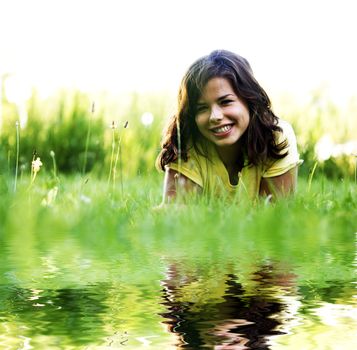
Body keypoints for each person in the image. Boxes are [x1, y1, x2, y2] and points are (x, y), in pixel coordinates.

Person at [156, 50, 302, 203]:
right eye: (201, 108)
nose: (215, 116)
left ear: (249, 100)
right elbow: (174, 215)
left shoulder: (275, 137)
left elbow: (274, 216)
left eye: (225, 102)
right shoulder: (187, 143)